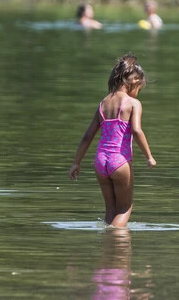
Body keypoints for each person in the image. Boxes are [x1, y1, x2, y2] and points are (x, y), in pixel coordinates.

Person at [68, 54, 156, 228]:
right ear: (134, 81)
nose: (139, 91)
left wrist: (76, 163)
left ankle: (107, 250)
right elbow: (137, 131)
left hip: (101, 161)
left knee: (110, 211)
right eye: (139, 87)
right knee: (124, 209)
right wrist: (149, 156)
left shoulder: (103, 103)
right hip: (120, 161)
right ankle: (117, 245)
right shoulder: (133, 103)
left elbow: (87, 136)